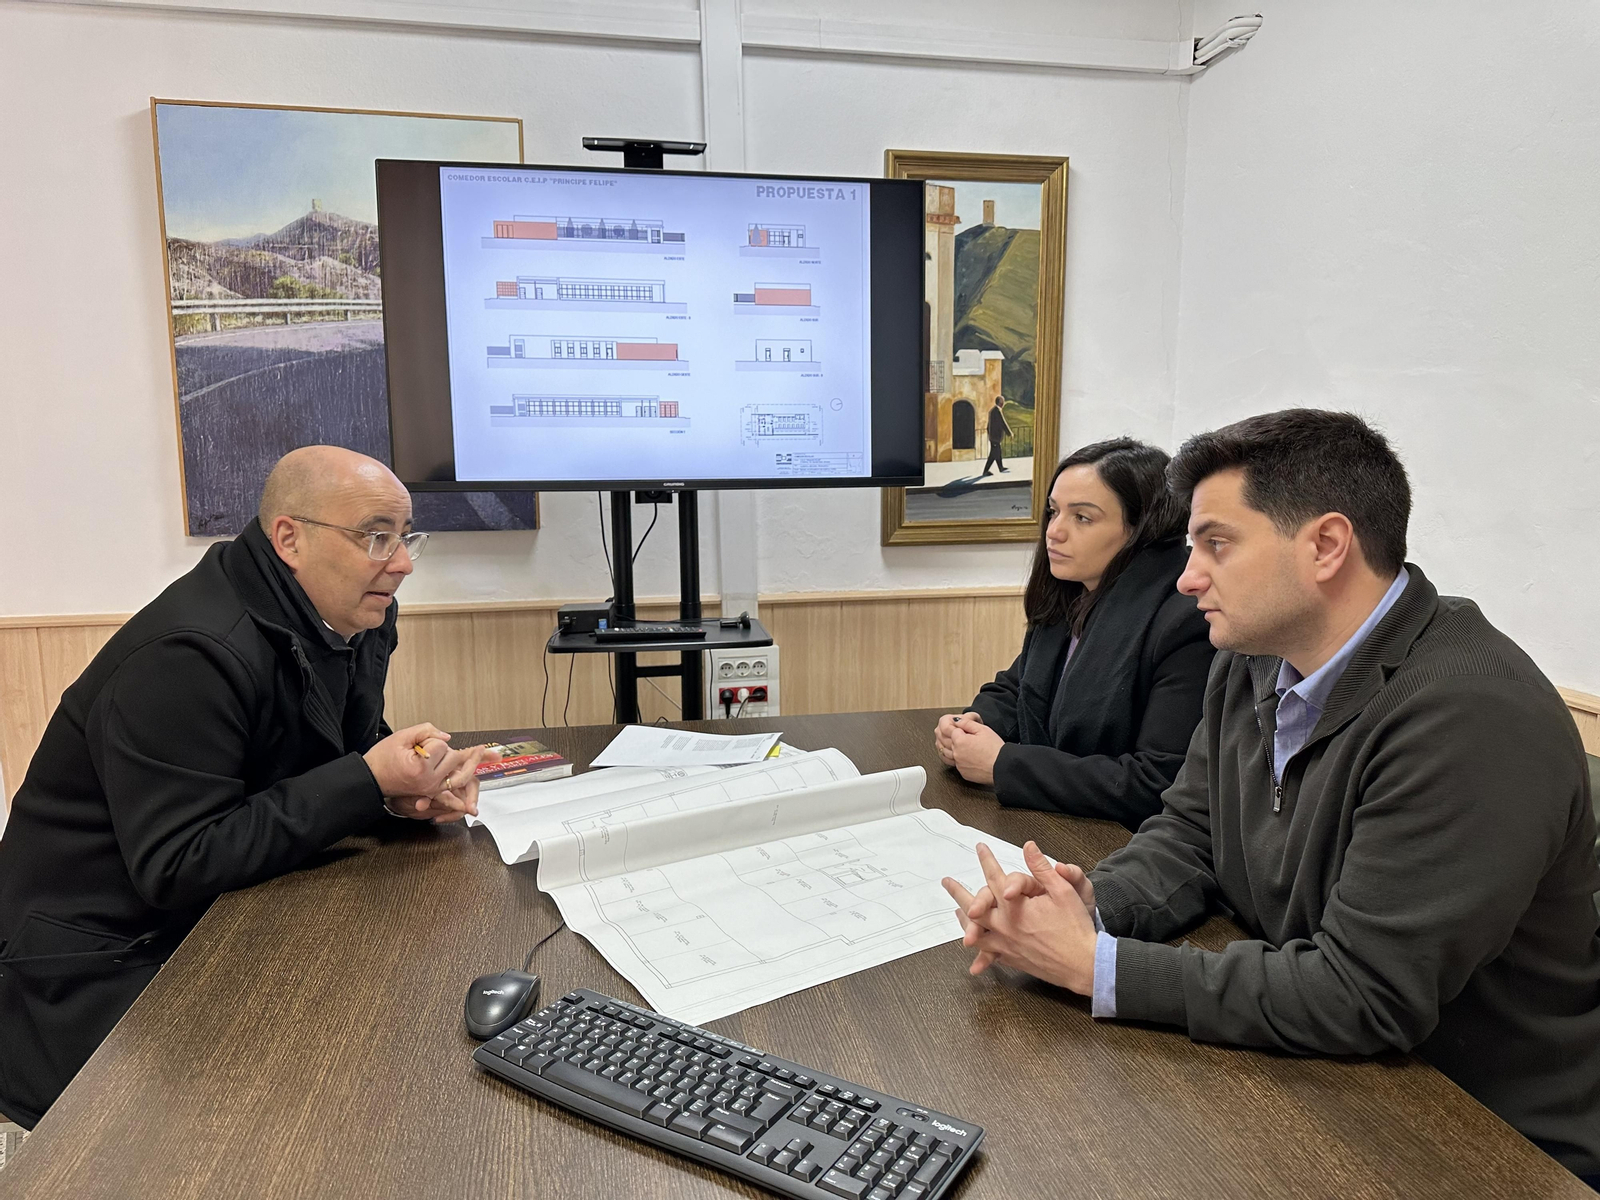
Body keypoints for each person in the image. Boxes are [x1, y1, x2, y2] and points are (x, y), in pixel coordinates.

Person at [942, 410, 1600, 1184]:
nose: (1187, 578)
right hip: (1322, 1080)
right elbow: (1190, 831)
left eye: (1215, 544)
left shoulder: (1471, 712)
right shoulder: (1256, 655)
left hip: (1479, 1135)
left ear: (1326, 546)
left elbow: (1364, 994)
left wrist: (1098, 966)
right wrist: (1085, 903)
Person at [0, 447, 497, 1130]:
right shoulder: (188, 653)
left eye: (406, 536)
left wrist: (399, 795)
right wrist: (366, 780)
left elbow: (339, 754)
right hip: (104, 959)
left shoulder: (356, 613)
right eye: (375, 536)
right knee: (304, 1114)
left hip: (228, 911)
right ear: (289, 538)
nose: (403, 562)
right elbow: (178, 862)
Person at [934, 439, 1214, 829]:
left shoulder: (1187, 620)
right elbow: (1018, 689)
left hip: (1122, 845)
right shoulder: (1075, 590)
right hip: (1052, 822)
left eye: (1082, 517)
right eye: (1053, 512)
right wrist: (971, 726)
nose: (1055, 532)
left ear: (1141, 528)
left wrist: (1002, 765)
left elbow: (1157, 781)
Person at [980, 396, 1012, 476]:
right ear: (1000, 402)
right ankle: (985, 471)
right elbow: (1003, 423)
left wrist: (989, 434)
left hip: (993, 437)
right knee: (993, 454)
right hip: (995, 437)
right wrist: (1010, 433)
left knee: (997, 452)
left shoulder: (992, 411)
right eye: (1003, 402)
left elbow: (988, 425)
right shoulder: (997, 411)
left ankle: (1000, 467)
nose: (1003, 403)